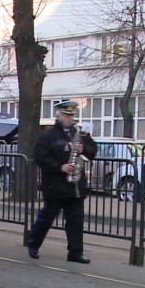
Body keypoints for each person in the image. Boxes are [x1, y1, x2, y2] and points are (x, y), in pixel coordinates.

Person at [28, 100, 97, 263]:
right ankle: (33, 244)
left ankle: (75, 252)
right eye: (67, 115)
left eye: (72, 115)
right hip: (56, 186)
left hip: (76, 186)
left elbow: (93, 151)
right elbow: (40, 156)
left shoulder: (80, 134)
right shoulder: (48, 136)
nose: (70, 118)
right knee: (47, 218)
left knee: (76, 221)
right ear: (58, 116)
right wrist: (60, 167)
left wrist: (84, 149)